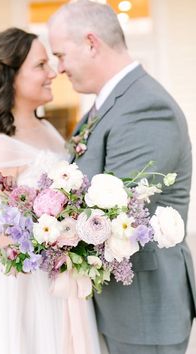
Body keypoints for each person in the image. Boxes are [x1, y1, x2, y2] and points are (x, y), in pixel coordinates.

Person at [48, 1, 196, 353]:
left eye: (61, 55)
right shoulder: (108, 103)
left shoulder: (145, 107)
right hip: (118, 307)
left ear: (91, 43)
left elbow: (114, 216)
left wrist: (46, 225)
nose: (60, 68)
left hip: (143, 310)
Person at [0, 27, 102, 354]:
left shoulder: (48, 130)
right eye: (41, 65)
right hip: (23, 289)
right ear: (12, 75)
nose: (53, 73)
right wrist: (54, 237)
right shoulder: (1, 147)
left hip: (59, 282)